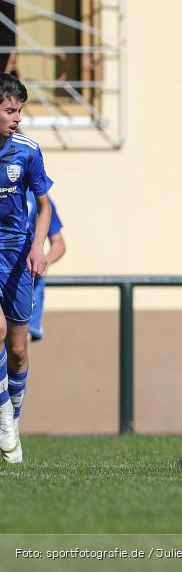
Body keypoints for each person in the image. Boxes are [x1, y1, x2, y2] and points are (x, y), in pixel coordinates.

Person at [0, 73, 54, 464]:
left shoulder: (28, 151)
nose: (17, 118)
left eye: (19, 111)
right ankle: (3, 414)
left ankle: (13, 421)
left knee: (18, 350)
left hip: (18, 254)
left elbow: (45, 206)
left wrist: (38, 247)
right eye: (9, 110)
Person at [25, 189, 65, 342]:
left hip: (29, 283)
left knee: (19, 347)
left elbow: (59, 243)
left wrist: (44, 261)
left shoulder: (39, 197)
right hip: (5, 274)